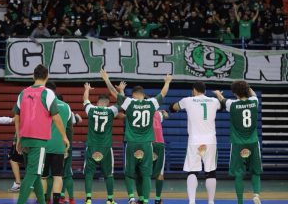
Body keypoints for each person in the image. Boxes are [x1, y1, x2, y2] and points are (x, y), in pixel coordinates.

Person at [101, 69, 172, 204]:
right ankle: (145, 200)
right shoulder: (151, 103)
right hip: (147, 144)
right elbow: (163, 93)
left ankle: (132, 198)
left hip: (132, 143)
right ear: (143, 94)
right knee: (146, 175)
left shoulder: (130, 103)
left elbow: (114, 93)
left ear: (134, 95)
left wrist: (106, 79)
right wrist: (167, 81)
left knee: (129, 173)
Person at [13, 64, 69, 204]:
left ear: (33, 76)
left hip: (25, 138)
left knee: (36, 174)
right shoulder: (48, 93)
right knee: (31, 174)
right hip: (39, 140)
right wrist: (64, 136)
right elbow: (56, 117)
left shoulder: (23, 92)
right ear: (47, 76)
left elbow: (17, 117)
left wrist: (19, 138)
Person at [170, 81, 221, 204]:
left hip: (194, 141)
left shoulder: (188, 100)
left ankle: (192, 201)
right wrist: (219, 95)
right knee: (211, 171)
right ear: (205, 90)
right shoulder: (214, 101)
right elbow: (222, 106)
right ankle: (211, 201)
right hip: (210, 141)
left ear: (194, 90)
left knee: (192, 171)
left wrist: (172, 108)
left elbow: (173, 107)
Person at [213, 81, 262, 204]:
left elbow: (222, 100)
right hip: (253, 142)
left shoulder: (232, 104)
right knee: (255, 171)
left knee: (239, 174)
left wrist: (218, 93)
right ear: (247, 90)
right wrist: (247, 87)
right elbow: (253, 94)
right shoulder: (254, 102)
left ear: (235, 93)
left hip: (238, 144)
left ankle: (240, 202)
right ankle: (256, 194)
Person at [83, 83, 120, 204]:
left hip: (92, 146)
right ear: (107, 103)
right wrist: (120, 91)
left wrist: (87, 89)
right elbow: (121, 103)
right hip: (106, 147)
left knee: (89, 173)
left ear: (98, 102)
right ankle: (110, 199)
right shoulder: (111, 111)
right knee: (109, 174)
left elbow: (85, 100)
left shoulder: (91, 109)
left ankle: (88, 198)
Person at [42, 82, 73, 204]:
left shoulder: (43, 104)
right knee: (57, 176)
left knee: (43, 176)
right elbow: (69, 129)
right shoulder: (66, 106)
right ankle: (56, 201)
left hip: (44, 145)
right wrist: (67, 146)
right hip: (60, 146)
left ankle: (44, 200)